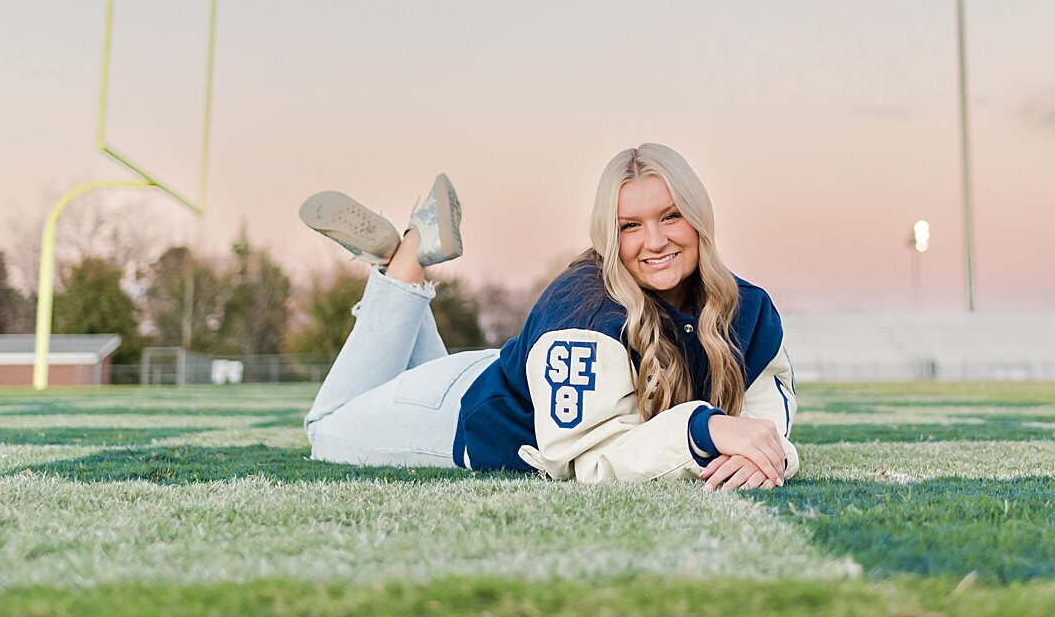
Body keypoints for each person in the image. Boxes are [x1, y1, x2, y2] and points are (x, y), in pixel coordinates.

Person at [298, 143, 799, 490]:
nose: (655, 241)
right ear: (607, 232)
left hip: (517, 377)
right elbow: (587, 459)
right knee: (324, 431)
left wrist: (766, 455)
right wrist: (706, 431)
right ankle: (406, 260)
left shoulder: (747, 308)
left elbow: (764, 431)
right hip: (455, 418)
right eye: (630, 225)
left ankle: (399, 267)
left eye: (670, 216)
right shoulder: (583, 308)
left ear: (699, 216)